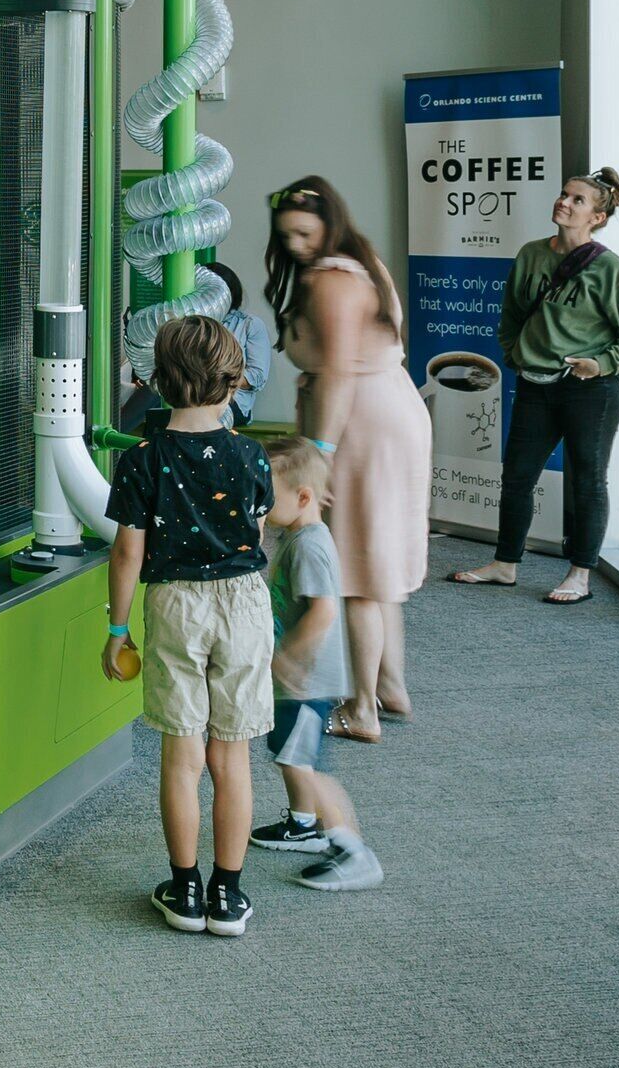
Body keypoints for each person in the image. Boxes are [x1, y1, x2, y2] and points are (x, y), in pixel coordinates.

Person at [99, 314, 282, 937]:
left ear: (156, 382)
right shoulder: (252, 455)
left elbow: (126, 552)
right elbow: (256, 531)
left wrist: (118, 629)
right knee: (232, 758)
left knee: (182, 758)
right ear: (233, 383)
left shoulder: (142, 461)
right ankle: (227, 897)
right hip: (243, 602)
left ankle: (183, 891)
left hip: (175, 603)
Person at [262, 177, 430, 740]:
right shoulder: (361, 264)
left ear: (328, 224)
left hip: (361, 421)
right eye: (286, 236)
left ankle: (362, 710)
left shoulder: (334, 279)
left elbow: (335, 372)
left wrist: (319, 454)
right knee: (376, 562)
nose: (295, 246)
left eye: (305, 233)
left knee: (356, 569)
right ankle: (390, 686)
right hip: (386, 412)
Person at [451, 168, 619, 604]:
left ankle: (579, 575)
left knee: (587, 482)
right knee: (517, 476)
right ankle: (505, 564)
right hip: (535, 385)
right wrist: (515, 353)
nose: (564, 202)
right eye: (564, 194)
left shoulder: (610, 269)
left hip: (593, 391)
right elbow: (511, 315)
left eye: (578, 200)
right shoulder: (530, 255)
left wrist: (598, 364)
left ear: (597, 217)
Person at [249, 442, 384, 891]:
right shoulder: (298, 535)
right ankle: (303, 825)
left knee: (305, 762)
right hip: (298, 682)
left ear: (303, 498)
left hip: (308, 682)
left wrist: (288, 659)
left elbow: (324, 613)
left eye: (269, 496)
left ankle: (352, 850)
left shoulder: (309, 547)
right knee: (288, 755)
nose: (262, 503)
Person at [115, 259, 279, 434]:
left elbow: (257, 377)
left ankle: (119, 437)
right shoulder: (191, 324)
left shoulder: (250, 325)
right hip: (188, 390)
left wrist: (206, 377)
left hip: (229, 401)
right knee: (157, 387)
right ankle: (122, 437)